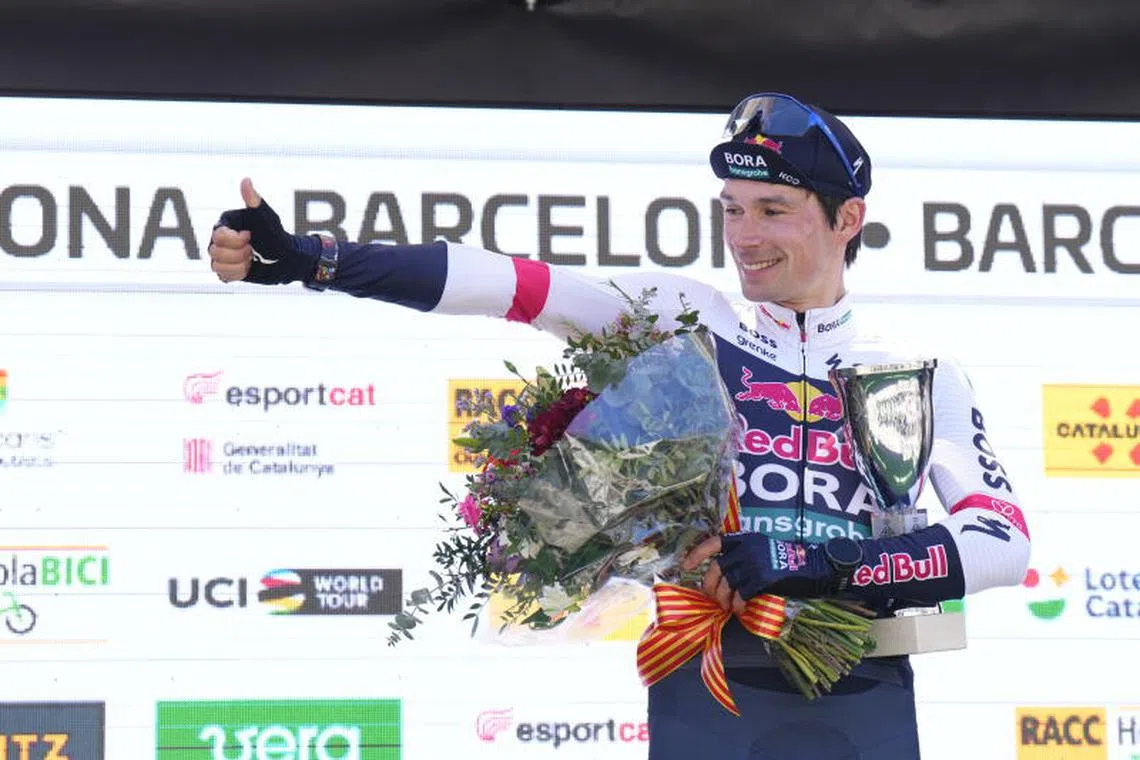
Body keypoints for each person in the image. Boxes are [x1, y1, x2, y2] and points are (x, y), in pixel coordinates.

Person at [207, 93, 1030, 758]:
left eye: (772, 210)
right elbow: (513, 285)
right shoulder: (685, 317)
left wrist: (816, 565)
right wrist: (321, 261)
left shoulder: (917, 370)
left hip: (864, 693)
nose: (744, 237)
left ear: (848, 220)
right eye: (732, 209)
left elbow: (1001, 544)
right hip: (702, 679)